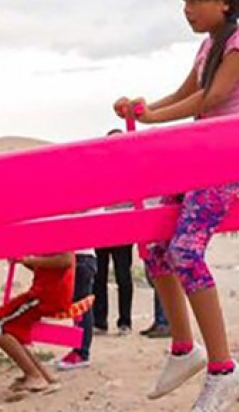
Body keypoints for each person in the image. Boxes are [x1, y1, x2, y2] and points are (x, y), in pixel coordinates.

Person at [113, 0, 239, 411]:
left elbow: (213, 98)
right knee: (154, 245)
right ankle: (185, 349)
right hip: (203, 157)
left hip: (234, 158)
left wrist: (156, 119)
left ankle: (223, 368)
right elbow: (187, 91)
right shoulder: (208, 46)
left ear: (225, 1)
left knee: (184, 250)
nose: (188, 8)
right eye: (185, 0)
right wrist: (143, 109)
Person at [0, 252, 76, 397]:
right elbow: (45, 266)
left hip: (47, 294)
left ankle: (35, 376)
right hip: (46, 291)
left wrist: (28, 259)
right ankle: (44, 376)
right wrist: (24, 260)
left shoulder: (57, 232)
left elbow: (65, 260)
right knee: (11, 328)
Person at [95, 131, 137, 337]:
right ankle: (99, 321)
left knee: (123, 276)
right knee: (98, 276)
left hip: (123, 229)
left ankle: (125, 321)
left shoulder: (131, 170)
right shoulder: (100, 170)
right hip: (101, 228)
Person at [56, 248, 98, 370]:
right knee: (80, 307)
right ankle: (79, 350)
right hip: (81, 258)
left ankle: (81, 352)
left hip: (80, 258)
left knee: (81, 307)